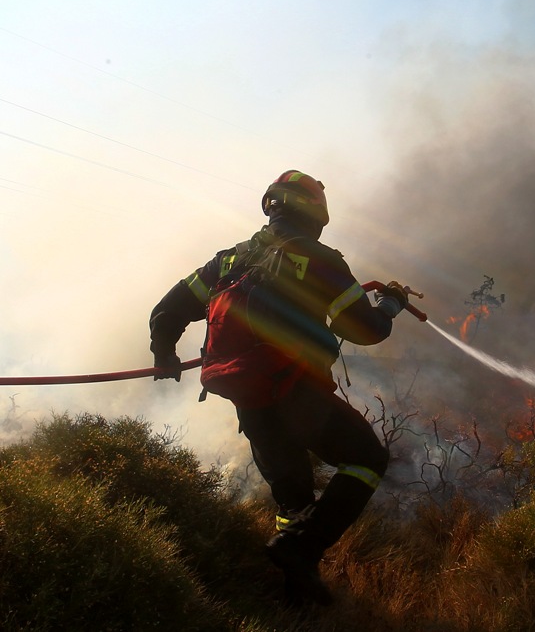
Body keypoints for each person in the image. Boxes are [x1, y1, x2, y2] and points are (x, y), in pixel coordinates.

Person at [148, 170, 408, 605]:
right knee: (367, 459)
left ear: (272, 207)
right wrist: (391, 305)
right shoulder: (320, 260)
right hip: (297, 392)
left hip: (248, 398)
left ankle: (298, 593)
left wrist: (164, 355)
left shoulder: (229, 260)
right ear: (317, 215)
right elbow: (366, 330)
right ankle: (302, 551)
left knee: (293, 501)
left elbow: (167, 310)